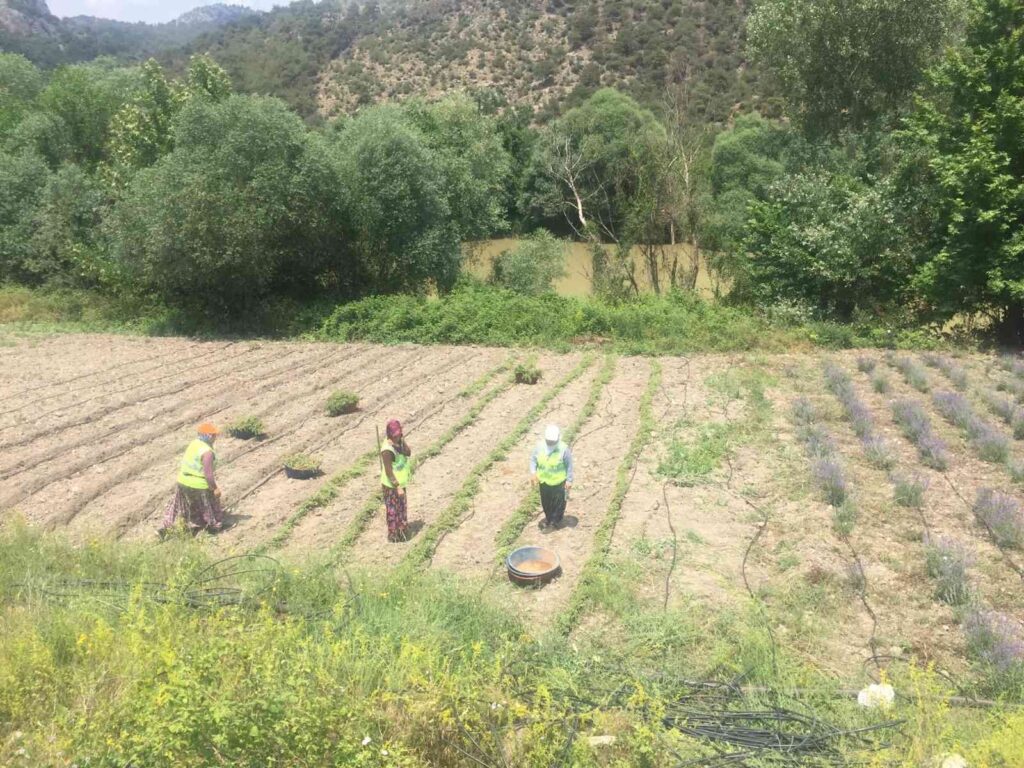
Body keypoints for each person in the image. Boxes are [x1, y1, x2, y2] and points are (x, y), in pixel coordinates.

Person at [161, 422, 224, 535]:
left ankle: (167, 527)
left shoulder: (194, 443)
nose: (215, 437)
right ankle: (213, 526)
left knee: (181, 506)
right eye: (214, 435)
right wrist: (214, 488)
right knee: (210, 504)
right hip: (199, 485)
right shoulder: (207, 452)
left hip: (183, 482)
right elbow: (208, 474)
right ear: (208, 436)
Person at [530, 423, 573, 530]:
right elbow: (533, 460)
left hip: (559, 482)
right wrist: (533, 472)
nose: (551, 443)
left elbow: (569, 466)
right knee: (546, 502)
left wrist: (569, 480)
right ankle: (549, 519)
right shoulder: (539, 447)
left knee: (559, 503)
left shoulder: (563, 449)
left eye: (552, 441)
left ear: (558, 438)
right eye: (549, 441)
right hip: (544, 481)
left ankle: (555, 522)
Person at [381, 419, 412, 542]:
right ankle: (394, 535)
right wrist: (397, 486)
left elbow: (408, 453)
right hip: (391, 485)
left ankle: (402, 531)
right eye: (395, 435)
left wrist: (402, 441)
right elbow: (389, 471)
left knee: (402, 507)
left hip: (400, 482)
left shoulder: (399, 442)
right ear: (390, 434)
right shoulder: (387, 450)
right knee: (393, 509)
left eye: (399, 434)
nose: (397, 436)